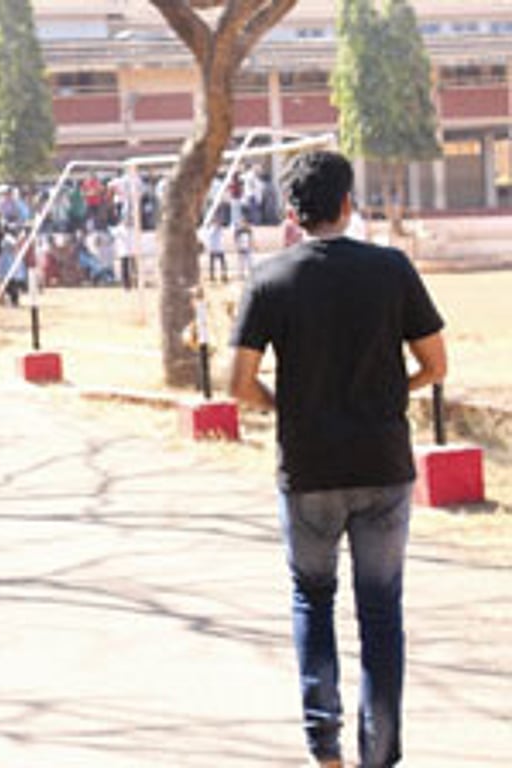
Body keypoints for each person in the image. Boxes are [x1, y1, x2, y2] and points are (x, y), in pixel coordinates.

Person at [228, 151, 448, 768]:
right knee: (381, 614)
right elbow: (435, 366)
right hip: (383, 464)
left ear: (292, 214)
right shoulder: (391, 269)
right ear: (348, 204)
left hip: (308, 469)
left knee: (312, 601)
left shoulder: (270, 280)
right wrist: (386, 394)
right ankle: (378, 756)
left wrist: (287, 405)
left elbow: (237, 382)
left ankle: (324, 752)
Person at [204, 218, 228, 283]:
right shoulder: (211, 229)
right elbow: (209, 237)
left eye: (219, 222)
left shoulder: (221, 229)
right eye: (216, 222)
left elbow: (223, 236)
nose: (218, 224)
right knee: (212, 264)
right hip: (213, 249)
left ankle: (224, 276)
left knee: (223, 264)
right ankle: (212, 276)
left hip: (220, 248)